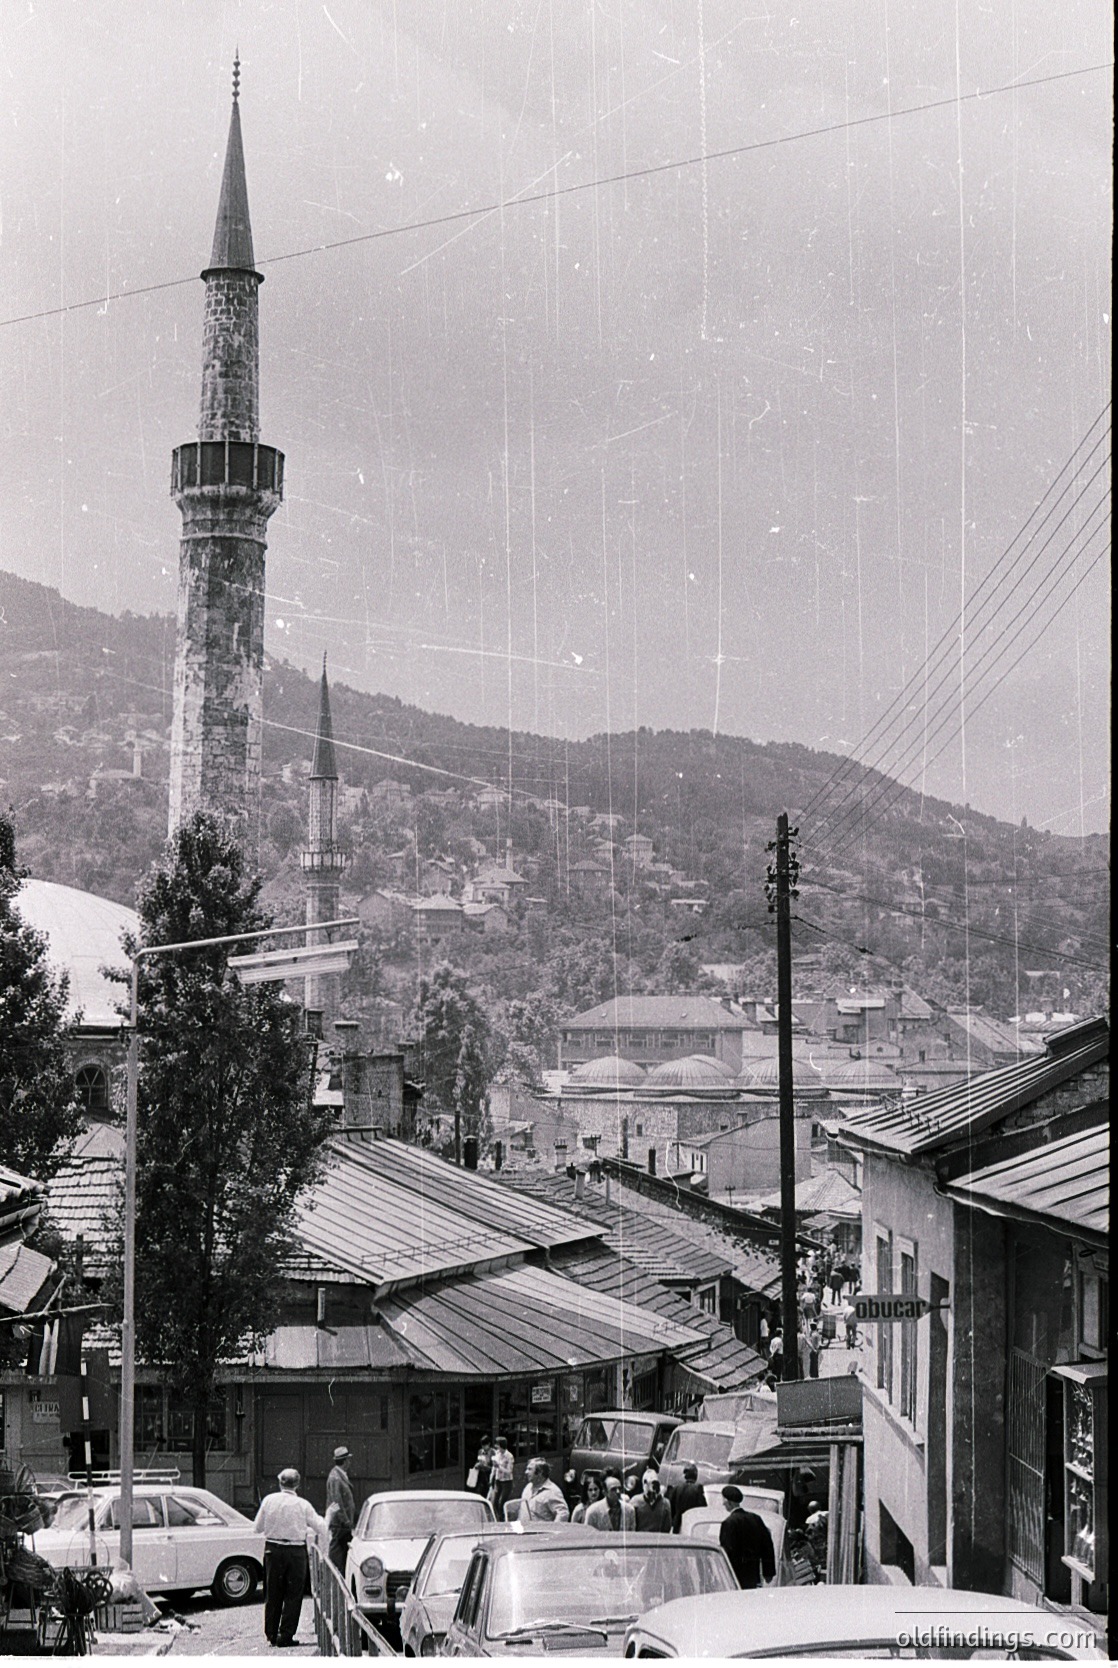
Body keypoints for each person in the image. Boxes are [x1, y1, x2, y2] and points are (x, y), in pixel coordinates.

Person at [252, 1468, 326, 1648]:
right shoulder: (303, 1504)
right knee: (293, 1595)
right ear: (298, 1484)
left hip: (273, 1549)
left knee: (273, 1593)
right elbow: (321, 1527)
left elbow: (257, 1528)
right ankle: (285, 1635)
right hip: (295, 1552)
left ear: (279, 1483)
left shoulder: (269, 1500)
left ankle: (271, 1633)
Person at [718, 1485, 776, 1590]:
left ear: (728, 1502)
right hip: (754, 1575)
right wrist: (768, 1572)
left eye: (724, 1500)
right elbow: (767, 1545)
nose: (723, 1503)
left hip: (735, 1576)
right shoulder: (755, 1519)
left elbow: (727, 1551)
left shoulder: (728, 1523)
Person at [325, 1445, 356, 1574]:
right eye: (348, 1459)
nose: (350, 1462)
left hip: (342, 1524)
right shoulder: (336, 1478)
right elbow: (336, 1502)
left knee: (341, 1553)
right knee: (337, 1553)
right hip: (340, 1524)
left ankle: (338, 1577)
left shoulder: (339, 1475)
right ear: (345, 1461)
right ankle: (334, 1577)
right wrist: (346, 1521)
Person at [517, 1456, 571, 1522]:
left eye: (530, 1469)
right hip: (525, 1530)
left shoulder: (552, 1491)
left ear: (540, 1472)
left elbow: (563, 1514)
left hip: (541, 1531)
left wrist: (554, 1530)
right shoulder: (527, 1487)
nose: (526, 1472)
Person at [668, 1463, 706, 1533]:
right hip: (691, 1523)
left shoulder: (677, 1488)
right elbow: (702, 1507)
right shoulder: (698, 1489)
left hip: (677, 1524)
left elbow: (671, 1506)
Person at [489, 1435, 515, 1518]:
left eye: (497, 1445)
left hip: (506, 1481)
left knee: (501, 1502)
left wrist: (499, 1467)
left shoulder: (509, 1456)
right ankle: (497, 1517)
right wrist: (491, 1476)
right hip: (498, 1480)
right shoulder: (497, 1454)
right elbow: (494, 1467)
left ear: (501, 1445)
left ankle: (503, 1517)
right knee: (494, 1501)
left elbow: (509, 1471)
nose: (496, 1447)